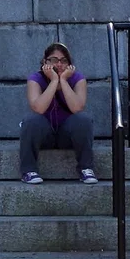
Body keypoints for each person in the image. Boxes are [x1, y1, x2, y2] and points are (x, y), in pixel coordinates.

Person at [19, 41, 98, 184]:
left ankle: (86, 168)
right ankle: (29, 170)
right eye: (54, 60)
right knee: (30, 120)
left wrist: (64, 81)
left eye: (63, 61)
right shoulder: (35, 79)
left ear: (69, 64)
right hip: (44, 134)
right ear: (45, 62)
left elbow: (77, 108)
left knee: (84, 119)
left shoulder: (78, 79)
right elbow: (38, 108)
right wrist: (54, 80)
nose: (59, 64)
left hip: (67, 135)